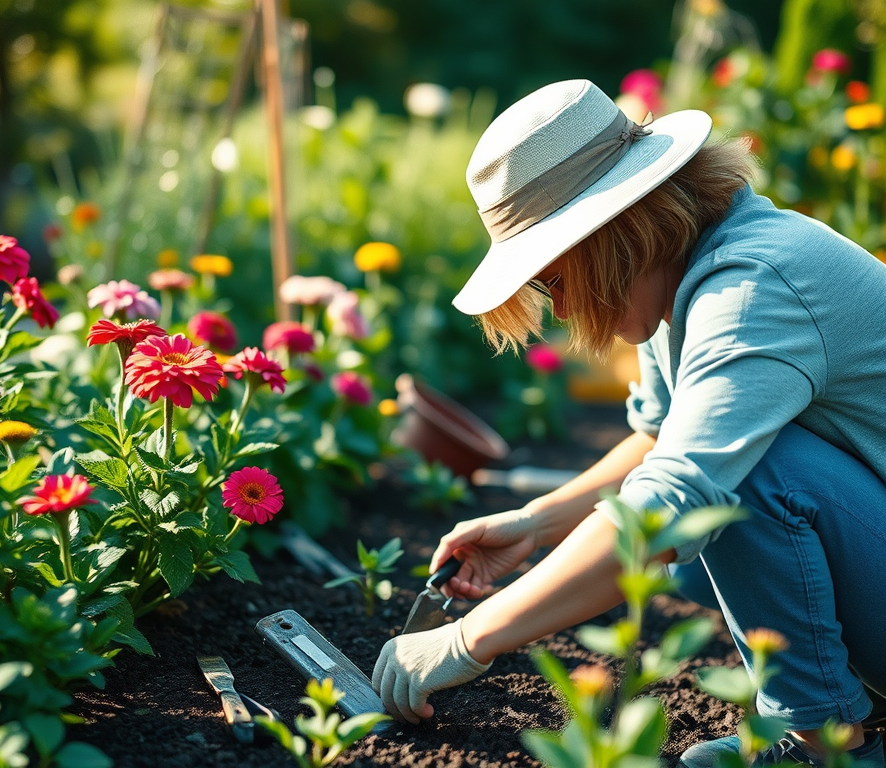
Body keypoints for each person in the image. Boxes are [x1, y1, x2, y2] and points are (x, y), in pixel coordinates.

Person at [371, 79, 886, 768]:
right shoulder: (682, 274)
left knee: (741, 479)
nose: (556, 309)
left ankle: (826, 744)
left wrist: (469, 639)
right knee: (705, 523)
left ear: (610, 233)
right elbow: (657, 441)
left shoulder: (752, 289)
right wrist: (538, 521)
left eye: (551, 280)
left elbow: (674, 495)